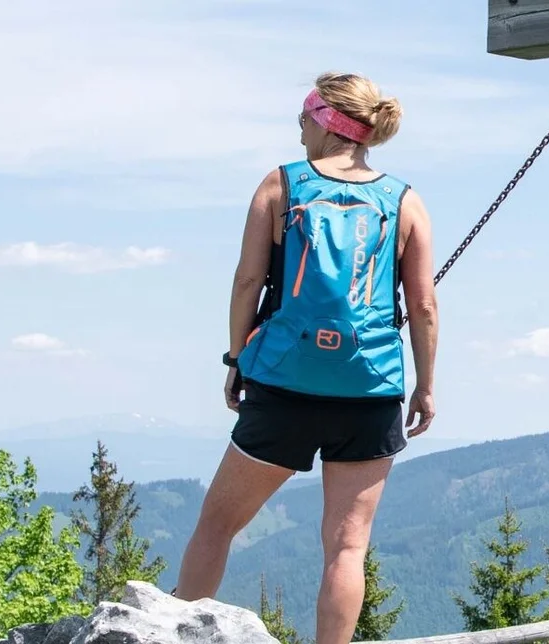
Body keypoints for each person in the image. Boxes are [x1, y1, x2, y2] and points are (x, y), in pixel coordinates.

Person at [174, 72, 438, 644]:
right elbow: (422, 306)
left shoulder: (282, 184)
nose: (298, 135)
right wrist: (424, 386)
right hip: (369, 389)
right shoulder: (403, 200)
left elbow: (248, 280)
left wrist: (237, 358)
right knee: (346, 548)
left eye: (301, 121)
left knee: (216, 525)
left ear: (324, 121)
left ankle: (172, 632)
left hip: (284, 384)